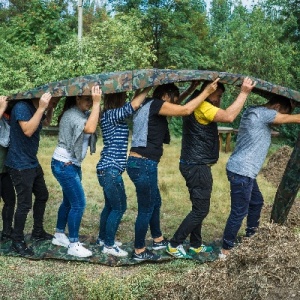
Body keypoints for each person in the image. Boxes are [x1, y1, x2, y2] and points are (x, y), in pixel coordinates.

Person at [127, 79, 219, 262]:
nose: (175, 104)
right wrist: (206, 92)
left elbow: (175, 106)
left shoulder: (148, 103)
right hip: (143, 163)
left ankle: (158, 239)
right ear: (165, 96)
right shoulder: (156, 105)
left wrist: (192, 89)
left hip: (141, 163)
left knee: (155, 203)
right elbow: (185, 110)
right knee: (146, 208)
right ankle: (139, 250)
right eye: (173, 99)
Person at [166, 77, 256, 259]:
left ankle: (196, 245)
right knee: (201, 210)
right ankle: (174, 244)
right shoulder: (203, 106)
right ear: (210, 89)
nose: (219, 100)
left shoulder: (197, 102)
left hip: (194, 164)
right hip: (196, 166)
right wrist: (244, 93)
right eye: (218, 95)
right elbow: (229, 116)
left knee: (198, 206)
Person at [219, 96, 300, 259]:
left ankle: (251, 237)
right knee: (239, 212)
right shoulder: (262, 114)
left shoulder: (254, 111)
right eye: (281, 114)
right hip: (242, 171)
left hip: (243, 170)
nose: (279, 121)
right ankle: (225, 250)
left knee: (256, 202)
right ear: (276, 107)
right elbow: (294, 119)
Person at [96, 87, 152, 257]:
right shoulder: (112, 114)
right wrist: (148, 87)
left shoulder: (110, 115)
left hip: (107, 170)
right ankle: (109, 245)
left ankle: (103, 238)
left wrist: (140, 91)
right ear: (117, 99)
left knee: (110, 206)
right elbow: (133, 105)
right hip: (110, 170)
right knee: (119, 208)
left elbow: (132, 104)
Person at [51, 85, 101, 258]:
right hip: (64, 164)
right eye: (86, 99)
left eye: (90, 99)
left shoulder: (81, 113)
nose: (89, 102)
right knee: (79, 204)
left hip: (70, 164)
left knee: (68, 202)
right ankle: (73, 244)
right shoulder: (72, 115)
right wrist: (96, 103)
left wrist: (96, 104)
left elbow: (94, 120)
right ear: (77, 99)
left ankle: (59, 235)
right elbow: (89, 129)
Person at [5, 92, 58, 256]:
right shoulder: (22, 107)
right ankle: (17, 241)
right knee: (24, 204)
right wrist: (42, 107)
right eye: (54, 99)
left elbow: (46, 122)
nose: (55, 101)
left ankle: (37, 231)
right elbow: (27, 130)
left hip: (31, 162)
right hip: (19, 164)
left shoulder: (38, 108)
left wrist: (49, 109)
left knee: (42, 195)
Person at [0, 96, 16, 241]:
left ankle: (6, 231)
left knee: (10, 201)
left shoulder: (6, 120)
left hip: (5, 171)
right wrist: (2, 107)